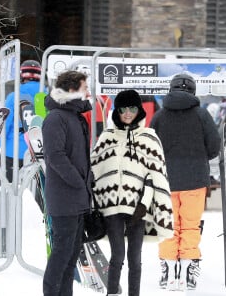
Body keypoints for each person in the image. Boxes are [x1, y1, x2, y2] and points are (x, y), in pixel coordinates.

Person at [90, 89, 173, 296]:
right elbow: (95, 171)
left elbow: (156, 175)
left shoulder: (149, 138)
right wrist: (96, 204)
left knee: (135, 258)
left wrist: (144, 204)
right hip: (111, 208)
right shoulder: (106, 137)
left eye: (132, 108)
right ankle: (112, 293)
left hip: (138, 208)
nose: (127, 113)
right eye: (123, 109)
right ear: (116, 111)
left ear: (140, 110)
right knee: (117, 256)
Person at [150, 73, 221, 291]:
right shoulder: (202, 115)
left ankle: (169, 271)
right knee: (190, 225)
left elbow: (150, 147)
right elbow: (214, 147)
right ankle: (188, 272)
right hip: (195, 179)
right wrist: (198, 157)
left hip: (165, 181)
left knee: (168, 225)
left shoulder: (159, 116)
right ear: (193, 91)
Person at [42, 70, 93, 296]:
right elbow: (55, 157)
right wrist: (78, 181)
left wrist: (87, 182)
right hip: (64, 198)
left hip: (78, 197)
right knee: (61, 255)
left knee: (71, 258)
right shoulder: (55, 118)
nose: (88, 92)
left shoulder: (76, 117)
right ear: (72, 90)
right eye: (85, 87)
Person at [0, 59, 42, 182]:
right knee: (33, 197)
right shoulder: (47, 97)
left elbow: (3, 126)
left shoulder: (14, 97)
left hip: (13, 153)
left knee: (7, 194)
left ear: (22, 75)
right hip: (38, 153)